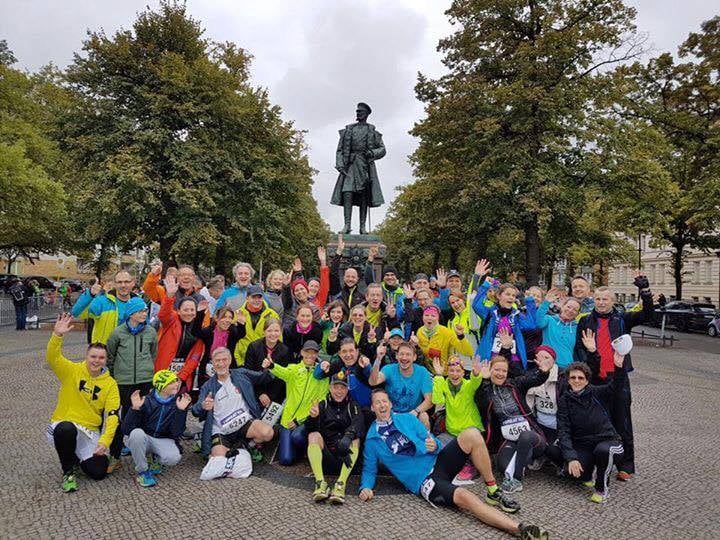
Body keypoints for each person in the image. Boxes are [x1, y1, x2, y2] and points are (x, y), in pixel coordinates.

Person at [360, 389, 550, 539]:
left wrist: (435, 445)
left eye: (384, 401)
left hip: (438, 461)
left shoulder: (407, 418)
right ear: (373, 408)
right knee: (464, 497)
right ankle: (518, 529)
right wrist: (366, 487)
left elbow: (432, 440)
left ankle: (493, 490)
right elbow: (369, 469)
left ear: (390, 404)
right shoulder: (372, 439)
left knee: (472, 434)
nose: (382, 405)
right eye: (377, 403)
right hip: (425, 480)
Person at [574, 274, 654, 480]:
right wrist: (584, 371)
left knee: (622, 420)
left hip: (617, 378)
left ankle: (625, 465)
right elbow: (580, 348)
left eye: (605, 299)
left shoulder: (622, 319)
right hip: (595, 378)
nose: (601, 303)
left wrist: (645, 291)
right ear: (594, 299)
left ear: (612, 301)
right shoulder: (585, 321)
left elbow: (648, 315)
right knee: (595, 421)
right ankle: (595, 461)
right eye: (598, 299)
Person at [45, 314, 120, 493]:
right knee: (66, 429)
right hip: (65, 424)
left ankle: (76, 457)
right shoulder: (71, 371)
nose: (96, 361)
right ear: (86, 356)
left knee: (98, 472)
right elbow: (53, 358)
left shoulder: (110, 384)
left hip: (89, 430)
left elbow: (113, 415)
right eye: (93, 356)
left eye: (101, 358)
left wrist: (105, 441)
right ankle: (68, 471)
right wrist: (57, 335)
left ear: (106, 360)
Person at [475, 348, 556, 493]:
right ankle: (522, 462)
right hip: (509, 439)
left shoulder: (515, 384)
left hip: (532, 436)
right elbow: (482, 404)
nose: (500, 374)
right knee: (503, 467)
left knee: (525, 436)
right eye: (497, 370)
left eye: (504, 371)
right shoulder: (485, 390)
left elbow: (533, 380)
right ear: (489, 370)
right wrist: (485, 380)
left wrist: (543, 372)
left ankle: (517, 480)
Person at [557, 356, 626, 503]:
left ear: (587, 381)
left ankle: (602, 488)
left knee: (603, 451)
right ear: (568, 380)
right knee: (575, 474)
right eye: (573, 377)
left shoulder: (596, 393)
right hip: (584, 444)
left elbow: (616, 387)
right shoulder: (564, 401)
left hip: (608, 441)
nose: (577, 381)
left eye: (581, 378)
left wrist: (619, 367)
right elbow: (563, 431)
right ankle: (590, 472)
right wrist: (571, 458)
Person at [192, 348, 275, 460]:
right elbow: (195, 410)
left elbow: (264, 377)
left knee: (267, 433)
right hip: (221, 430)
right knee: (219, 458)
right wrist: (203, 405)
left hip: (244, 423)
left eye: (224, 360)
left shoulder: (241, 374)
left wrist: (269, 367)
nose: (221, 364)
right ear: (213, 363)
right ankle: (234, 447)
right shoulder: (207, 386)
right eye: (217, 360)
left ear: (230, 361)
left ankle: (248, 445)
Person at [105, 297, 158, 469]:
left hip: (145, 381)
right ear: (130, 313)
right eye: (140, 311)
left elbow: (153, 354)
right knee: (121, 418)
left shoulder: (150, 332)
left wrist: (146, 370)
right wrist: (116, 375)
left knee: (147, 417)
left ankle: (149, 454)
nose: (144, 313)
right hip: (124, 382)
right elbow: (110, 356)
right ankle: (115, 454)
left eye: (145, 310)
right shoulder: (117, 333)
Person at [263, 340, 329, 465]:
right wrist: (271, 366)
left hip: (306, 420)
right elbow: (282, 372)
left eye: (313, 352)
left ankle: (306, 449)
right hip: (288, 420)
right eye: (307, 352)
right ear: (302, 352)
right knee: (286, 460)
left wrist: (299, 421)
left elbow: (322, 400)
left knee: (297, 436)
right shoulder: (294, 369)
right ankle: (297, 450)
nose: (310, 355)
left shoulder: (322, 375)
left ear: (317, 354)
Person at [122, 370, 191, 487]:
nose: (177, 384)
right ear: (161, 386)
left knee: (173, 458)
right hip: (144, 438)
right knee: (136, 434)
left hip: (163, 438)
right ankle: (143, 471)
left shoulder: (178, 402)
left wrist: (181, 411)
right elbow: (126, 429)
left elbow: (177, 432)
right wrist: (135, 409)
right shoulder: (146, 400)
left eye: (176, 381)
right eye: (172, 382)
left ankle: (156, 458)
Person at [305, 372, 364, 504]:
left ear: (347, 389)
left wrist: (347, 436)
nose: (339, 391)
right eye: (335, 387)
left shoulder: (353, 405)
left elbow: (358, 424)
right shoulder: (323, 404)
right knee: (313, 435)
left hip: (347, 460)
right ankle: (320, 483)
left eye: (342, 387)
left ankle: (340, 484)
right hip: (327, 457)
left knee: (356, 440)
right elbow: (308, 429)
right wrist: (312, 418)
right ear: (330, 388)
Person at [331, 102, 386, 234]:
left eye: (360, 111)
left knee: (364, 196)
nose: (358, 113)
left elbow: (382, 149)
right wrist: (340, 164)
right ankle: (347, 225)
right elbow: (340, 150)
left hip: (364, 165)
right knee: (347, 192)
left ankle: (362, 226)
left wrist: (372, 153)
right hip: (350, 165)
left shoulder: (372, 131)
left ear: (366, 114)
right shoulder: (349, 130)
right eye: (357, 111)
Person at [431, 355, 484, 483]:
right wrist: (438, 376)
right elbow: (437, 400)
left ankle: (471, 465)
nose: (455, 374)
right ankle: (458, 462)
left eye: (458, 371)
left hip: (471, 430)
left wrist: (476, 374)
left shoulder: (468, 385)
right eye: (451, 371)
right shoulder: (443, 384)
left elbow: (475, 382)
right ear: (447, 372)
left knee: (471, 448)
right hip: (452, 432)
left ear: (463, 372)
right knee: (436, 445)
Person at [472, 277, 538, 377]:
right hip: (491, 359)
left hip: (513, 360)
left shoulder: (516, 315)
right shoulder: (490, 313)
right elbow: (476, 305)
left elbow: (531, 325)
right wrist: (486, 285)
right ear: (499, 296)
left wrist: (529, 301)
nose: (511, 297)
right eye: (508, 294)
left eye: (513, 295)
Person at [154, 275, 205, 394]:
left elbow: (195, 357)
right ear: (178, 311)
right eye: (185, 310)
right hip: (163, 371)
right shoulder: (172, 320)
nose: (189, 313)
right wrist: (169, 296)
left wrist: (181, 377)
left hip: (183, 376)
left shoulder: (198, 328)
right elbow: (163, 314)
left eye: (192, 310)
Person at [368, 341, 433, 428]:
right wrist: (378, 359)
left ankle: (426, 437)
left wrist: (415, 412)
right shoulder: (389, 369)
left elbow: (429, 401)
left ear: (414, 357)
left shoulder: (422, 372)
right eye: (401, 354)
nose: (404, 358)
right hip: (392, 415)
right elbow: (373, 382)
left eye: (408, 354)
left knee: (424, 416)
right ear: (396, 356)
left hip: (413, 414)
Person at [315, 338, 373, 424]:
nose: (348, 355)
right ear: (339, 353)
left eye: (351, 351)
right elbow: (317, 375)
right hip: (345, 413)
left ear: (357, 351)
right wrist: (321, 366)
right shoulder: (338, 365)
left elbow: (372, 378)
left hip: (365, 412)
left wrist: (367, 366)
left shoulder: (362, 364)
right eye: (344, 351)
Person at [72, 270, 139, 344]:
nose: (123, 285)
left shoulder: (139, 305)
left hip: (129, 350)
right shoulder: (102, 302)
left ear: (133, 283)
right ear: (114, 284)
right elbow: (77, 313)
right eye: (119, 282)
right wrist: (90, 294)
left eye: (127, 282)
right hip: (105, 349)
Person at [244, 318, 293, 405]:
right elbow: (249, 372)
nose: (273, 334)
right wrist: (260, 393)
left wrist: (270, 396)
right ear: (264, 331)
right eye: (269, 331)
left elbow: (282, 377)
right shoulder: (253, 347)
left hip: (275, 395)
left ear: (281, 332)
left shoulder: (285, 350)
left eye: (276, 331)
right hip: (255, 391)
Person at [196, 306, 246, 388]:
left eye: (230, 317)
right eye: (224, 317)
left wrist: (241, 324)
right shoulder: (209, 331)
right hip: (208, 369)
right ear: (216, 318)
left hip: (228, 370)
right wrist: (200, 314)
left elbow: (241, 334)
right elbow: (196, 332)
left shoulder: (232, 331)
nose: (227, 320)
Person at [417, 304, 474, 375]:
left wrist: (461, 336)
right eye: (426, 315)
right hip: (428, 372)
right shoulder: (420, 332)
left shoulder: (447, 332)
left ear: (438, 318)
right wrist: (414, 344)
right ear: (422, 317)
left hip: (445, 373)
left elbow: (468, 352)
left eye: (433, 316)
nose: (429, 318)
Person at [233, 284, 280, 366]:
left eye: (259, 297)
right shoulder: (238, 314)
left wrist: (274, 359)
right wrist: (238, 360)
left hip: (265, 360)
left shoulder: (272, 314)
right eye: (253, 297)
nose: (257, 300)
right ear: (247, 298)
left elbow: (278, 338)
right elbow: (233, 339)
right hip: (243, 360)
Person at [534, 288, 580, 369]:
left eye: (575, 310)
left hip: (567, 367)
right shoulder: (550, 320)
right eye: (568, 307)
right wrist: (546, 303)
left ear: (577, 314)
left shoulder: (577, 327)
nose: (570, 310)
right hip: (547, 364)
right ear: (562, 306)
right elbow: (538, 323)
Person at [329, 235, 366, 311]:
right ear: (344, 277)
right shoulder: (338, 292)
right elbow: (333, 274)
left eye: (353, 277)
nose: (350, 279)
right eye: (348, 276)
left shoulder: (362, 297)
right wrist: (339, 252)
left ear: (357, 279)